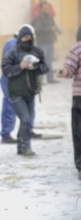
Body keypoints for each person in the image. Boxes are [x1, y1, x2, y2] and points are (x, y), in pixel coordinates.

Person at [2, 25, 49, 156]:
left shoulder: (37, 51)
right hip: (16, 92)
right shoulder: (12, 52)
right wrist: (20, 66)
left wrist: (36, 67)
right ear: (20, 38)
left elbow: (46, 67)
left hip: (31, 91)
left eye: (29, 37)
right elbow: (6, 70)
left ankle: (21, 145)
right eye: (24, 37)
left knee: (26, 120)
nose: (27, 39)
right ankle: (25, 146)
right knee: (26, 118)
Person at [57, 26, 81, 180]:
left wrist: (66, 71)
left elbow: (69, 69)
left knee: (79, 133)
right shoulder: (78, 48)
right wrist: (64, 71)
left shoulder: (76, 48)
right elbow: (69, 68)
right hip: (80, 97)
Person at [32, 1, 59, 84]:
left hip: (50, 42)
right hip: (42, 43)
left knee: (49, 61)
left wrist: (57, 30)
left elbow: (54, 26)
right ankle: (40, 80)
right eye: (45, 8)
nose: (47, 9)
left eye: (48, 8)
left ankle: (50, 79)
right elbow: (37, 30)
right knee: (42, 61)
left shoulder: (50, 17)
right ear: (41, 9)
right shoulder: (38, 18)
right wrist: (50, 29)